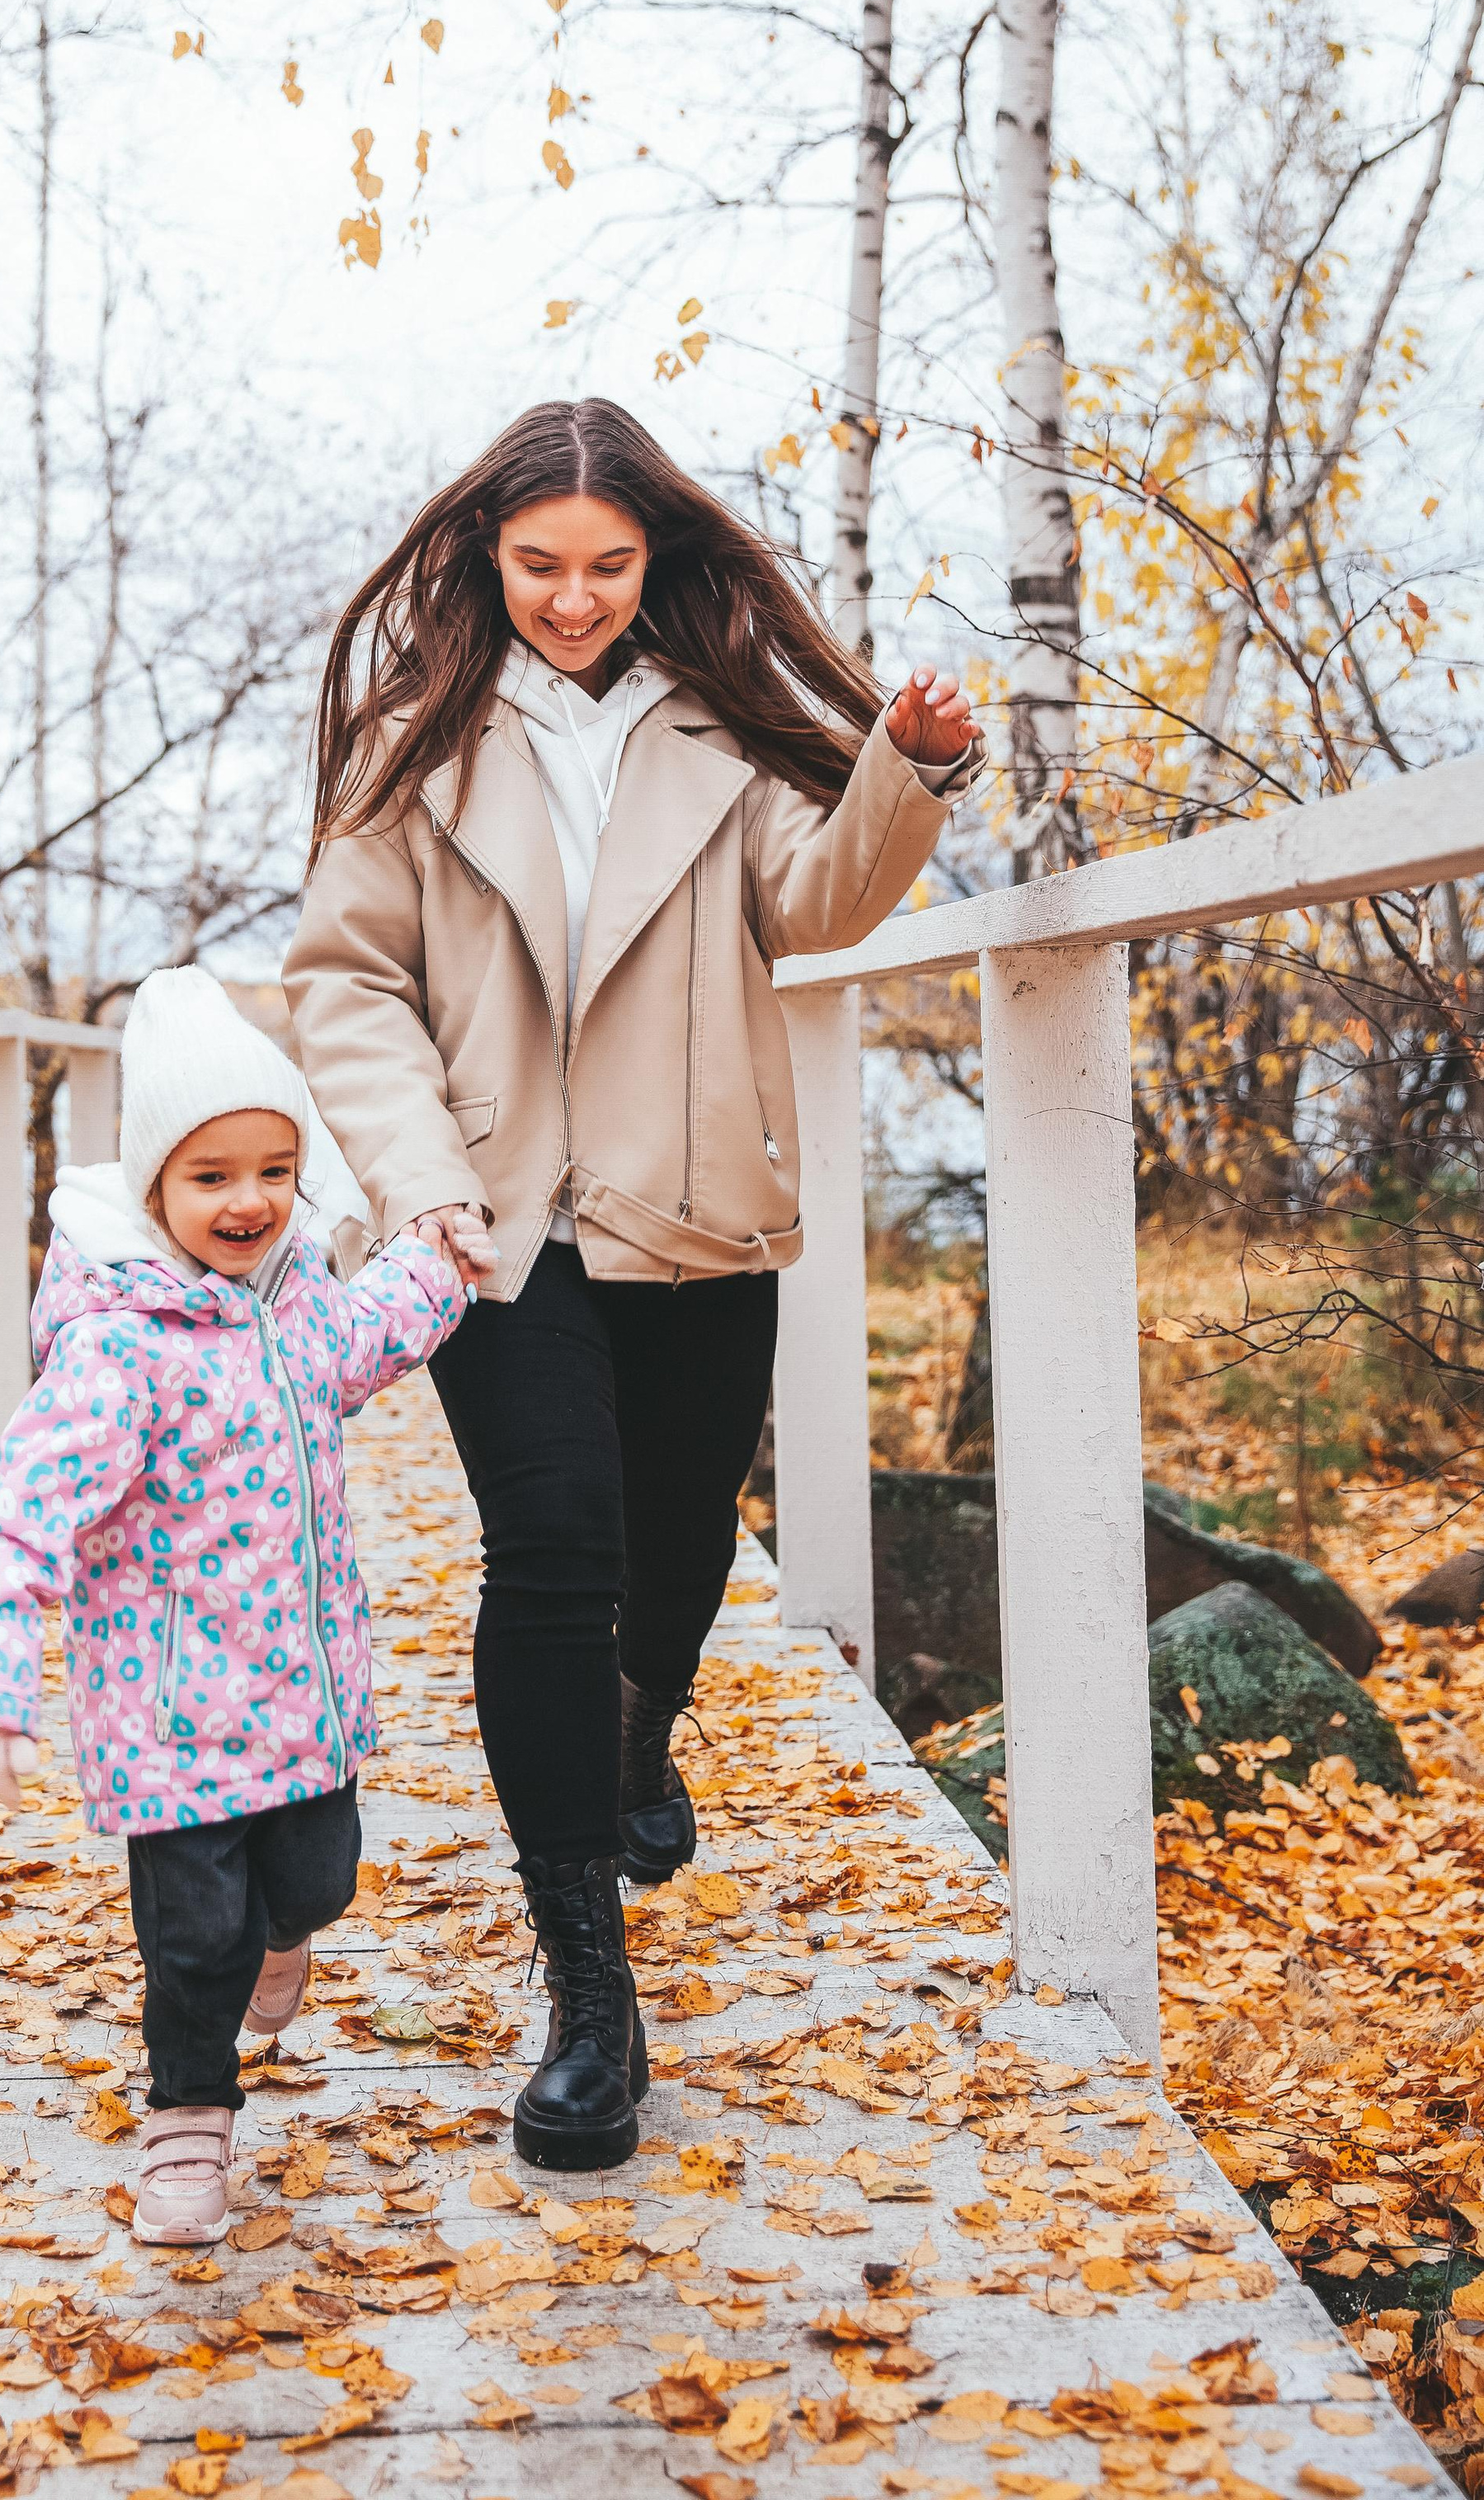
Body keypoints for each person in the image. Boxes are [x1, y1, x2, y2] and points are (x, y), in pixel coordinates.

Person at [285, 398, 979, 2172]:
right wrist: (423, 1186)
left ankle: (639, 1738)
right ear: (482, 557)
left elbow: (816, 906)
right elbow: (346, 987)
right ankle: (589, 1993)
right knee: (556, 1548)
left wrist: (902, 765)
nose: (573, 599)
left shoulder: (715, 737)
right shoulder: (408, 745)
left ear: (652, 560)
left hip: (690, 1212)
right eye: (539, 567)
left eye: (606, 566)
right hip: (496, 1229)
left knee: (674, 1549)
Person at [0, 965, 465, 2246]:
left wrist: (442, 1252)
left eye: (275, 1169)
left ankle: (290, 1934)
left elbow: (380, 1326)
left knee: (319, 1884)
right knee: (196, 1943)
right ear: (153, 1188)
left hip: (308, 1703)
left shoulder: (301, 1306)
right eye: (213, 1176)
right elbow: (17, 1519)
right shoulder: (117, 1350)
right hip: (168, 1728)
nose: (251, 1201)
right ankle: (188, 2123)